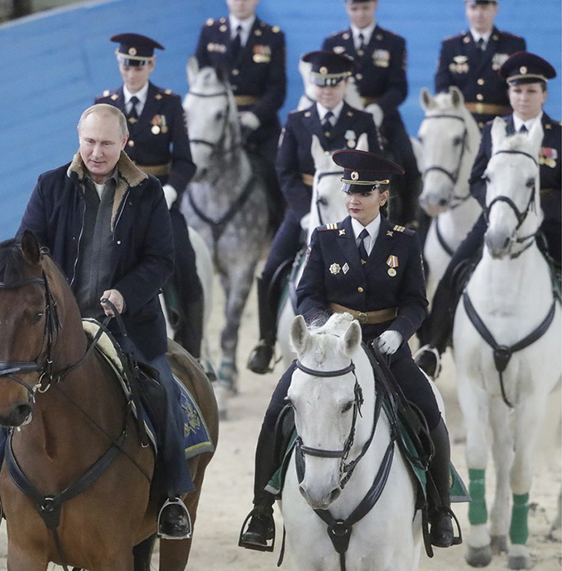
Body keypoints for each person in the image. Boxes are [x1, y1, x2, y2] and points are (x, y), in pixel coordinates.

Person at [0, 104, 194, 539]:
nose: (96, 151)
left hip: (126, 323)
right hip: (58, 326)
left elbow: (161, 260)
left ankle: (171, 495)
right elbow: (27, 251)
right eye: (89, 141)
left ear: (124, 143)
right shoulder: (51, 186)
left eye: (107, 143)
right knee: (14, 385)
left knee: (161, 385)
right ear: (79, 138)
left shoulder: (147, 193)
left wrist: (124, 293)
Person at [239, 150, 457, 551]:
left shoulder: (404, 242)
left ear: (383, 195)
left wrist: (400, 331)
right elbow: (306, 294)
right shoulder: (324, 239)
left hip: (386, 346)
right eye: (348, 189)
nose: (353, 198)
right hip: (330, 347)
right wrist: (323, 326)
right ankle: (262, 510)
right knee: (276, 412)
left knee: (429, 411)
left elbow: (416, 302)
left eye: (363, 190)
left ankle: (441, 511)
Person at [416, 51, 561, 378]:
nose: (523, 98)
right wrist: (498, 205)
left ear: (543, 94)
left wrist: (537, 212)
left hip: (550, 219)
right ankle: (434, 348)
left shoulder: (557, 135)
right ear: (509, 94)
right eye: (517, 91)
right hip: (498, 217)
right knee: (454, 270)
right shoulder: (494, 132)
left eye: (530, 91)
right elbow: (476, 179)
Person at [248, 51, 381, 374]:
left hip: (354, 208)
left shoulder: (362, 121)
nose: (326, 90)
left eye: (333, 84)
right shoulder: (297, 121)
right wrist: (304, 213)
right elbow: (285, 172)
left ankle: (382, 339)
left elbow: (376, 170)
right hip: (307, 206)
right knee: (272, 268)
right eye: (320, 84)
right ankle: (266, 341)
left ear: (344, 84)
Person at [95, 33, 203, 358]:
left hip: (159, 201)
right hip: (113, 200)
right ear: (119, 63)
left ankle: (194, 352)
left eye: (139, 65)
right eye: (127, 64)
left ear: (151, 65)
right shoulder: (104, 103)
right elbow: (94, 157)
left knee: (185, 263)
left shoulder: (169, 103)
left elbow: (184, 160)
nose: (132, 72)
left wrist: (171, 190)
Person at [322, 0, 422, 227]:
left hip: (384, 116)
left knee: (409, 162)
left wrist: (379, 108)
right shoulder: (334, 43)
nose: (360, 13)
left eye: (365, 8)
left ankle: (409, 218)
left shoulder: (393, 42)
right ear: (347, 8)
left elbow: (399, 87)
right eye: (354, 8)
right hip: (344, 115)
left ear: (375, 6)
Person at [194, 0, 287, 229]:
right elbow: (201, 77)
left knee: (280, 171)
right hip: (218, 122)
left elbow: (277, 89)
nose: (241, 2)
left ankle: (280, 229)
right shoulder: (211, 31)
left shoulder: (272, 36)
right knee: (193, 162)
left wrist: (255, 117)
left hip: (259, 125)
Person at [435, 0, 526, 129]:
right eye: (473, 7)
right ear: (466, 10)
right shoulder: (451, 46)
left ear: (495, 9)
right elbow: (442, 87)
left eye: (484, 7)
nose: (478, 13)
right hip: (461, 124)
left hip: (501, 122)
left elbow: (519, 85)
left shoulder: (513, 44)